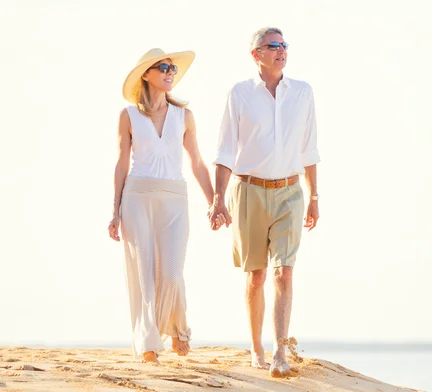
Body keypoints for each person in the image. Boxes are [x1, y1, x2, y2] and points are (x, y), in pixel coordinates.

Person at [208, 27, 320, 378]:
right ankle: (257, 347)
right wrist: (217, 199)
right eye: (273, 46)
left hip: (290, 192)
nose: (281, 50)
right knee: (256, 276)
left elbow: (310, 149)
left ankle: (280, 353)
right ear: (256, 54)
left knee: (283, 272)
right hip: (248, 191)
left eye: (284, 45)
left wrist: (314, 195)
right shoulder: (240, 93)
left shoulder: (302, 92)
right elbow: (225, 150)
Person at [108, 48, 224, 364]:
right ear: (146, 74)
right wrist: (114, 210)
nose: (170, 71)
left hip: (175, 200)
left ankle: (177, 327)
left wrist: (215, 201)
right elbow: (121, 163)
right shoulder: (127, 116)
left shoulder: (184, 117)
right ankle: (148, 345)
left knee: (171, 273)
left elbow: (197, 162)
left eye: (172, 67)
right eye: (163, 67)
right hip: (136, 198)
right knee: (143, 275)